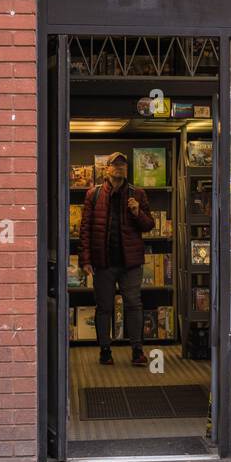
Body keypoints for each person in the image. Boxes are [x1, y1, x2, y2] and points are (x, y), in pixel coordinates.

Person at [78, 151, 156, 366]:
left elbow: (149, 225)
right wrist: (85, 260)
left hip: (130, 263)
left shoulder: (137, 194)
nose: (120, 168)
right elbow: (85, 229)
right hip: (103, 262)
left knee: (133, 304)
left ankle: (137, 350)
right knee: (104, 307)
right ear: (107, 169)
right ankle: (105, 350)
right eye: (116, 164)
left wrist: (137, 212)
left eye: (123, 165)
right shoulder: (93, 195)